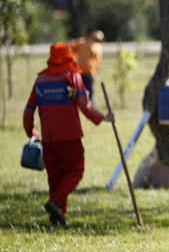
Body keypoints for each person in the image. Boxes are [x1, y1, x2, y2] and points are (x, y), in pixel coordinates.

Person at [23, 42, 113, 227]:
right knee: (75, 171)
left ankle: (57, 219)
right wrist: (103, 117)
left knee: (55, 178)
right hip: (70, 137)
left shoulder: (41, 80)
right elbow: (85, 106)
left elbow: (28, 110)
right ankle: (56, 203)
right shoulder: (72, 76)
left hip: (49, 138)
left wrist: (30, 131)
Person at [70, 30, 104, 102]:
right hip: (79, 71)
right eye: (96, 39)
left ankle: (89, 104)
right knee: (76, 89)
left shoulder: (97, 47)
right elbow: (71, 48)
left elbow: (98, 61)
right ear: (91, 37)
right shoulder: (81, 43)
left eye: (98, 40)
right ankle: (75, 103)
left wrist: (96, 71)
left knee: (89, 90)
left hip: (89, 72)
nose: (96, 41)